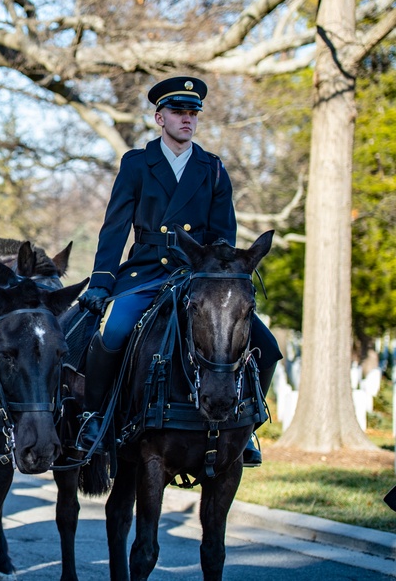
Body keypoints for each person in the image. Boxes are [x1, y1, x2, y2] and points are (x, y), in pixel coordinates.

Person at [76, 76, 282, 466]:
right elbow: (115, 227)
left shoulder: (213, 168)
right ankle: (95, 417)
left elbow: (224, 234)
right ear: (159, 117)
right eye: (178, 112)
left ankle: (248, 426)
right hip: (145, 270)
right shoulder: (137, 164)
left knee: (267, 346)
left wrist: (215, 273)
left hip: (198, 277)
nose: (187, 119)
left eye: (193, 113)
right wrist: (102, 281)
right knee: (114, 330)